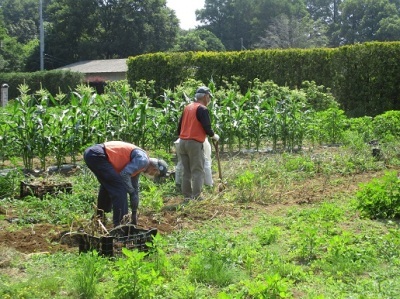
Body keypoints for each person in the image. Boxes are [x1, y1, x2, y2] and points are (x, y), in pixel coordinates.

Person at [83, 141, 168, 227]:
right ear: (154, 169)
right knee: (120, 188)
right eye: (155, 174)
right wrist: (131, 192)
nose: (152, 175)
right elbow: (124, 174)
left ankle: (99, 217)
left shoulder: (140, 165)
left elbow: (134, 187)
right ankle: (121, 225)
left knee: (109, 185)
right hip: (98, 155)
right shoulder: (143, 160)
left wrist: (134, 213)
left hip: (93, 154)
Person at [177, 86, 219, 200]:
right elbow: (206, 126)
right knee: (197, 170)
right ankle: (197, 196)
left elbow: (179, 127)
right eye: (209, 97)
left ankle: (187, 196)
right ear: (205, 96)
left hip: (182, 142)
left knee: (186, 171)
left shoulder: (187, 107)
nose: (209, 99)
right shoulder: (202, 109)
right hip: (194, 143)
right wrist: (213, 136)